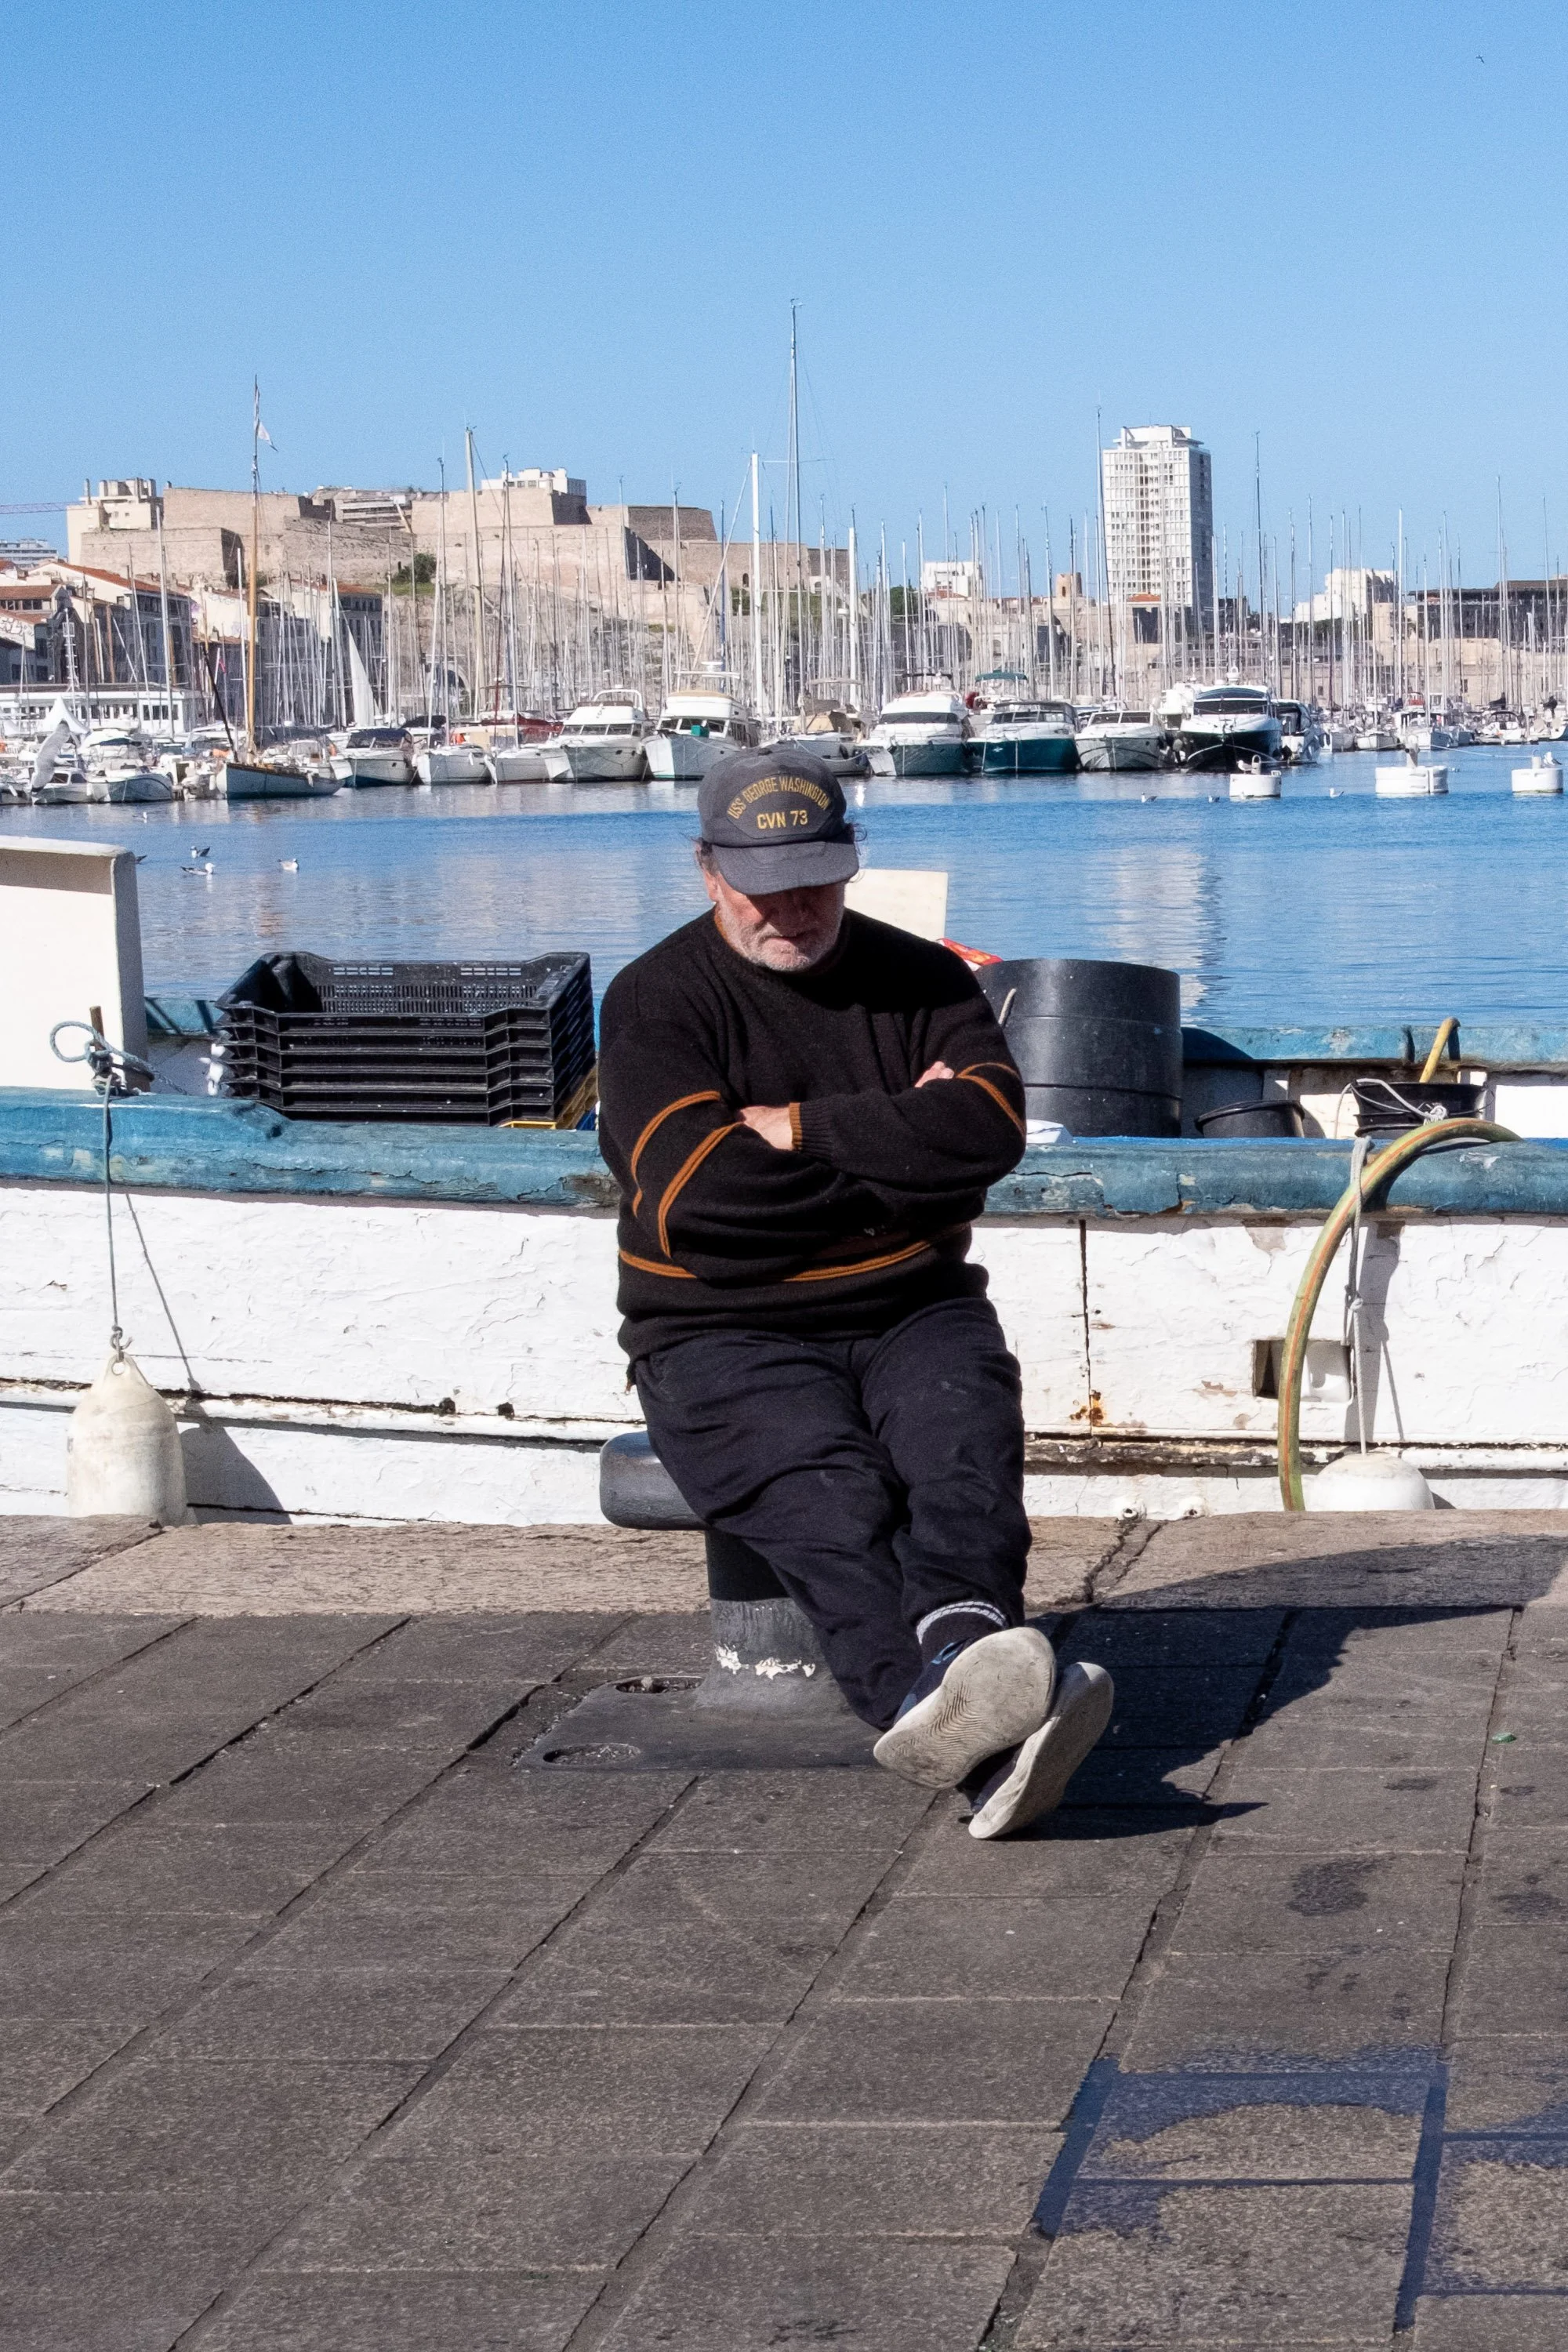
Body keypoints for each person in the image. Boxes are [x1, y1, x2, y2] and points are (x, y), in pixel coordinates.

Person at [597, 746, 1112, 1837]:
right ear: (707, 872)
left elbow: (989, 1131)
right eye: (762, 883)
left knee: (959, 1450)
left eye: (817, 879)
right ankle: (966, 1724)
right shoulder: (655, 1001)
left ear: (850, 865)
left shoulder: (923, 977)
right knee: (829, 1501)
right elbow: (705, 1201)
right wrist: (900, 1154)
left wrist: (796, 1128)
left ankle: (964, 1658)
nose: (793, 907)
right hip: (716, 1328)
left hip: (911, 1304)